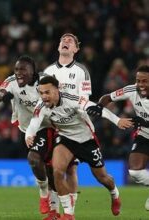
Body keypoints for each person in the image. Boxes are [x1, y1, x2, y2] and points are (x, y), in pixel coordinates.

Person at [26, 76, 132, 220]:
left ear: (57, 90)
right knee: (57, 171)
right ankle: (68, 214)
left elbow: (97, 108)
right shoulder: (41, 106)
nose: (44, 96)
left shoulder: (73, 99)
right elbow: (34, 122)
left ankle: (115, 194)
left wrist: (118, 120)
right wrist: (29, 135)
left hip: (86, 140)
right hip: (65, 139)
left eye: (47, 92)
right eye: (41, 93)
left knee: (102, 178)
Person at [0, 55, 53, 215]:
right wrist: (2, 96)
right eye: (17, 69)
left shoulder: (46, 81)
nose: (19, 73)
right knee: (43, 166)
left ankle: (45, 195)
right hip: (26, 128)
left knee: (35, 159)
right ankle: (51, 204)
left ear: (33, 72)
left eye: (23, 69)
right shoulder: (12, 81)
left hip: (49, 126)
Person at [42, 33, 91, 219]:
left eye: (70, 41)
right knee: (51, 169)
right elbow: (42, 97)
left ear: (76, 49)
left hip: (73, 126)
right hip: (52, 126)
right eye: (63, 39)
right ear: (58, 47)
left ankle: (70, 212)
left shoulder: (81, 71)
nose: (66, 41)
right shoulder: (48, 71)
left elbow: (85, 100)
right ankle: (54, 211)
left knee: (71, 169)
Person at [88, 65, 149, 211]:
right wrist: (99, 106)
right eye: (138, 80)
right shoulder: (131, 89)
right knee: (135, 172)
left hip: (144, 127)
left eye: (145, 81)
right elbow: (107, 97)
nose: (140, 85)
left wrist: (144, 122)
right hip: (144, 135)